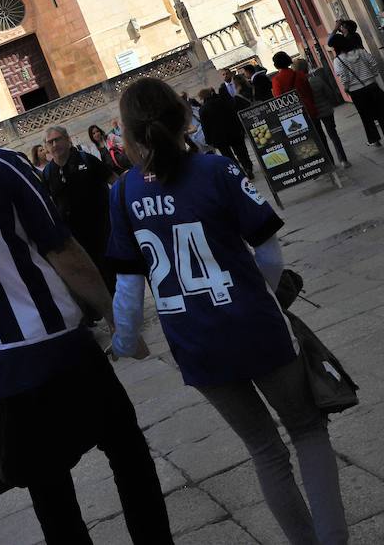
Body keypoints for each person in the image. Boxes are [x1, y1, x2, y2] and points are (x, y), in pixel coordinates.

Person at [0, 72, 172, 545]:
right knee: (126, 451)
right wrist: (120, 321)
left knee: (50, 494)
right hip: (59, 350)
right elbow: (65, 253)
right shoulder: (1, 167)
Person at [107, 78, 348, 545]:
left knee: (263, 449)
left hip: (194, 341)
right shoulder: (216, 170)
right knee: (307, 430)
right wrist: (267, 293)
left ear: (129, 135)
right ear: (184, 118)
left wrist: (125, 340)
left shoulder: (123, 193)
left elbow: (129, 285)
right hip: (252, 323)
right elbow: (271, 254)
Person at [41, 126, 116, 294]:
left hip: (102, 227)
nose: (54, 144)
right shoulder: (47, 173)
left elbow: (114, 181)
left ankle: (119, 306)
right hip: (74, 235)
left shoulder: (87, 160)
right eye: (50, 142)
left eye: (57, 139)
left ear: (67, 140)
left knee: (109, 268)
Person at [271, 51, 345, 168]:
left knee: (306, 141)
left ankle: (320, 165)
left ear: (276, 65)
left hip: (294, 117)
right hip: (309, 109)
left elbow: (279, 100)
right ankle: (331, 161)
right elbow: (309, 92)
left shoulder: (277, 80)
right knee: (320, 136)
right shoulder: (299, 75)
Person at [330, 32, 384, 148]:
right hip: (371, 85)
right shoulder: (361, 52)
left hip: (356, 91)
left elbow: (343, 76)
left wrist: (346, 87)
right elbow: (373, 62)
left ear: (336, 47)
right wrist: (373, 75)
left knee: (366, 117)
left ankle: (374, 140)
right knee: (381, 113)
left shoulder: (338, 61)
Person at [297, 58, 348, 167]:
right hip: (326, 110)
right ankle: (343, 160)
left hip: (312, 114)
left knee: (320, 139)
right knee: (333, 135)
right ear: (307, 68)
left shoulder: (299, 86)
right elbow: (329, 93)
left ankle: (330, 163)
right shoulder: (317, 80)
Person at [198, 87, 255, 177]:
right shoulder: (224, 101)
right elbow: (234, 115)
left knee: (228, 156)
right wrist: (240, 128)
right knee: (241, 152)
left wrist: (209, 140)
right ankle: (248, 167)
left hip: (218, 138)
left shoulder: (203, 109)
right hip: (233, 132)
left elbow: (205, 127)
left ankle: (239, 172)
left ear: (202, 98)